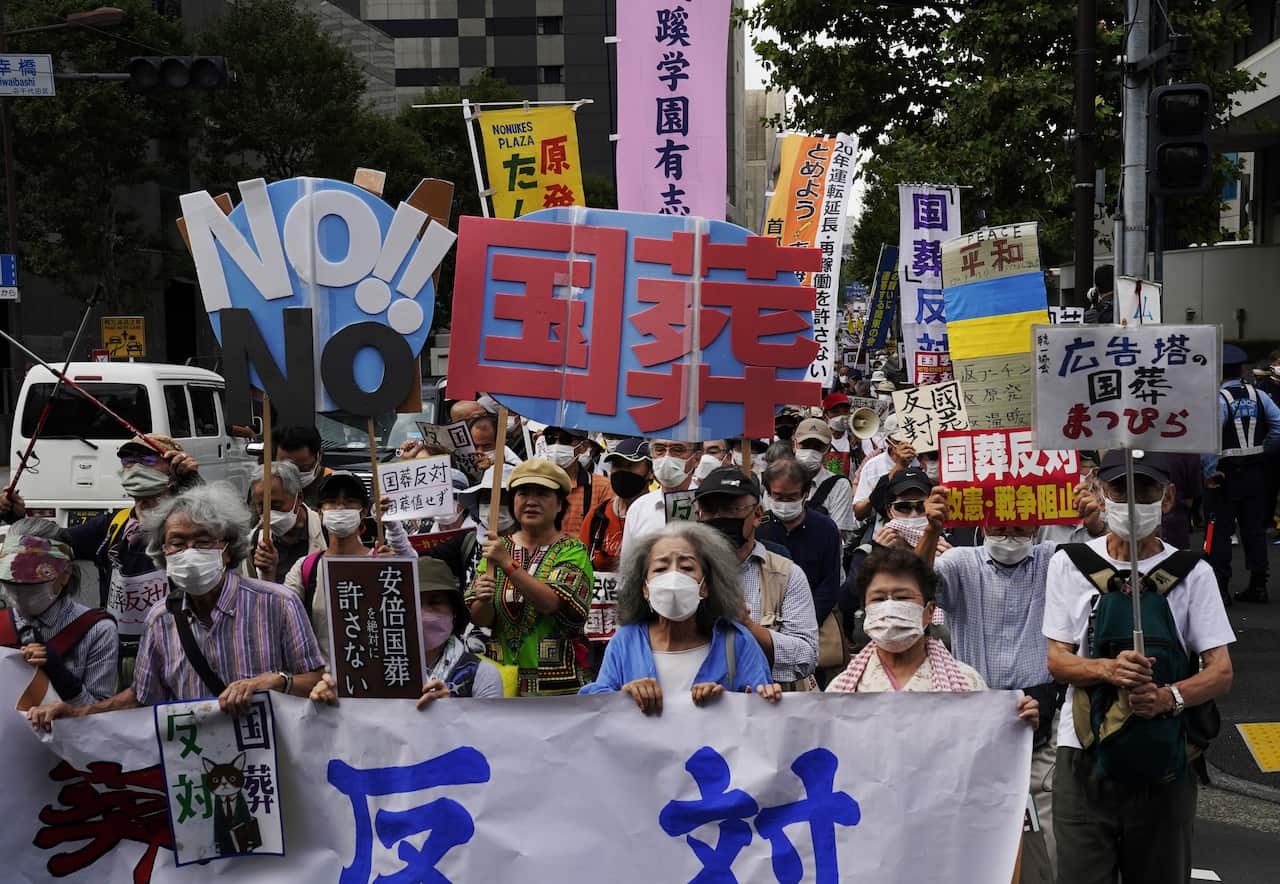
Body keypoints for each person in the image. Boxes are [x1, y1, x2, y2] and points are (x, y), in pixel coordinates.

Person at [1043, 450, 1235, 884]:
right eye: (1120, 490)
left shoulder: (1193, 573)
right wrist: (1107, 670)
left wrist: (1170, 697)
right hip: (1083, 751)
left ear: (1168, 498)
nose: (1132, 502)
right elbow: (1058, 660)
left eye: (1145, 490)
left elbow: (1221, 670)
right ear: (1100, 493)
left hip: (1165, 753)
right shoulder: (1068, 564)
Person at [27, 484, 327, 730]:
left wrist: (278, 682)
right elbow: (142, 698)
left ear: (226, 549)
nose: (190, 552)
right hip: (194, 763)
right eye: (178, 543)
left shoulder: (278, 603)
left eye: (204, 542)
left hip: (269, 758)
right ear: (163, 552)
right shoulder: (161, 619)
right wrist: (78, 714)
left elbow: (317, 680)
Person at [917, 488, 1068, 869]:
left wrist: (1096, 523)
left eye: (1019, 528)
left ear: (1036, 528)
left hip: (1039, 711)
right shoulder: (959, 562)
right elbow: (914, 588)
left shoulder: (1053, 560)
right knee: (972, 824)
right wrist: (931, 530)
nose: (1009, 537)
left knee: (1046, 834)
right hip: (973, 710)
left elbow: (1103, 563)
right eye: (1000, 527)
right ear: (983, 525)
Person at [580, 521, 782, 710]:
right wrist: (624, 694)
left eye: (686, 568)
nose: (674, 577)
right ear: (645, 588)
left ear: (705, 586)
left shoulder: (736, 641)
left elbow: (760, 709)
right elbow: (596, 707)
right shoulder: (626, 641)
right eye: (660, 568)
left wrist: (742, 700)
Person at [826, 546, 1040, 713]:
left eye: (903, 597)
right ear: (866, 609)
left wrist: (1016, 721)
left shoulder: (967, 683)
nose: (890, 607)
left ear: (929, 611)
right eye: (878, 599)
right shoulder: (842, 690)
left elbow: (985, 741)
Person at [467, 459, 594, 696]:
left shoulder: (572, 550)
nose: (531, 501)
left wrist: (508, 565)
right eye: (523, 493)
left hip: (558, 687)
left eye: (543, 494)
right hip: (502, 681)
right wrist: (483, 599)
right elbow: (481, 619)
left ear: (559, 504)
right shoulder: (497, 548)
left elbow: (550, 603)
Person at [310, 557, 502, 707]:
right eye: (412, 603)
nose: (423, 613)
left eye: (434, 602)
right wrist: (330, 702)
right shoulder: (366, 671)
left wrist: (451, 711)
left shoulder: (482, 675)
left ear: (454, 612)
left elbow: (489, 739)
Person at [694, 466, 818, 689]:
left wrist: (747, 626)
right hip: (700, 697)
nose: (720, 519)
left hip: (766, 700)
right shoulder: (683, 571)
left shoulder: (787, 575)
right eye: (710, 511)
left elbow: (806, 656)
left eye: (731, 510)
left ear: (757, 515)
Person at [282, 472, 415, 660]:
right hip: (323, 677)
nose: (340, 508)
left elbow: (410, 602)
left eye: (350, 502)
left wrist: (394, 570)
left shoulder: (381, 562)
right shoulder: (306, 568)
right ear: (320, 513)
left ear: (363, 512)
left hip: (374, 673)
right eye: (332, 502)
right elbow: (282, 616)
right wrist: (267, 574)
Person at [0, 520, 118, 706]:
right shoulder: (2, 623)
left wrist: (62, 678)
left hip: (66, 724)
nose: (19, 593)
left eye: (32, 585)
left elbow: (100, 713)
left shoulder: (97, 630)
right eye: (10, 584)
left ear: (65, 575)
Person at [756, 457, 846, 680]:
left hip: (814, 622)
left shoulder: (825, 528)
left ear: (805, 494)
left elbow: (830, 583)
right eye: (778, 497)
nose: (784, 503)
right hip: (767, 626)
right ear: (769, 493)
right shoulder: (759, 528)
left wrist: (806, 620)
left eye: (791, 497)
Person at [1205, 343, 1280, 604]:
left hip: (1225, 476)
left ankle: (1221, 588)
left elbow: (1210, 440)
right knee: (1254, 529)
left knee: (1221, 531)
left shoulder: (1219, 399)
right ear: (1241, 370)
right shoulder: (1259, 395)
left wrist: (1209, 471)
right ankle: (1258, 586)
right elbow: (1278, 426)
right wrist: (1263, 449)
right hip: (1256, 473)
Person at [619, 438, 702, 560]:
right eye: (659, 450)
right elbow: (628, 565)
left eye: (677, 450)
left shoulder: (708, 505)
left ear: (696, 459)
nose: (667, 457)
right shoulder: (639, 508)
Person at [243, 461, 324, 584]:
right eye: (261, 506)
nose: (269, 513)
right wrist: (267, 575)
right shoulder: (254, 542)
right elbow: (251, 590)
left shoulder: (327, 533)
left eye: (276, 505)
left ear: (298, 498)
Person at [581, 438, 651, 572]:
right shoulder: (598, 515)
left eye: (630, 465)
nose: (622, 472)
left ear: (651, 472)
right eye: (617, 465)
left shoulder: (660, 514)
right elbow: (580, 565)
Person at [538, 425, 612, 537]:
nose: (556, 446)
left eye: (565, 439)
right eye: (550, 439)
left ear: (584, 446)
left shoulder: (603, 487)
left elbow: (606, 534)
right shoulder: (535, 484)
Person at [790, 418, 855, 544]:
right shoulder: (778, 482)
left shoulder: (839, 485)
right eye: (806, 445)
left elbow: (837, 533)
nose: (811, 451)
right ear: (795, 445)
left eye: (818, 447)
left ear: (828, 449)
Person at [853, 414, 917, 531]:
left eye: (909, 440)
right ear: (888, 441)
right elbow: (859, 513)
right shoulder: (873, 466)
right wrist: (875, 494)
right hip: (885, 535)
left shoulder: (924, 461)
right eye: (899, 442)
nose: (906, 446)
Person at [274, 425, 332, 510]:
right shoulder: (265, 485)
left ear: (319, 455)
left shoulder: (335, 483)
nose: (292, 474)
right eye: (285, 467)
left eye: (302, 468)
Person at [821, 392, 854, 478]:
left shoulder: (856, 438)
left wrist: (859, 447)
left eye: (845, 412)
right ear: (825, 416)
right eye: (835, 412)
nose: (841, 416)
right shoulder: (819, 439)